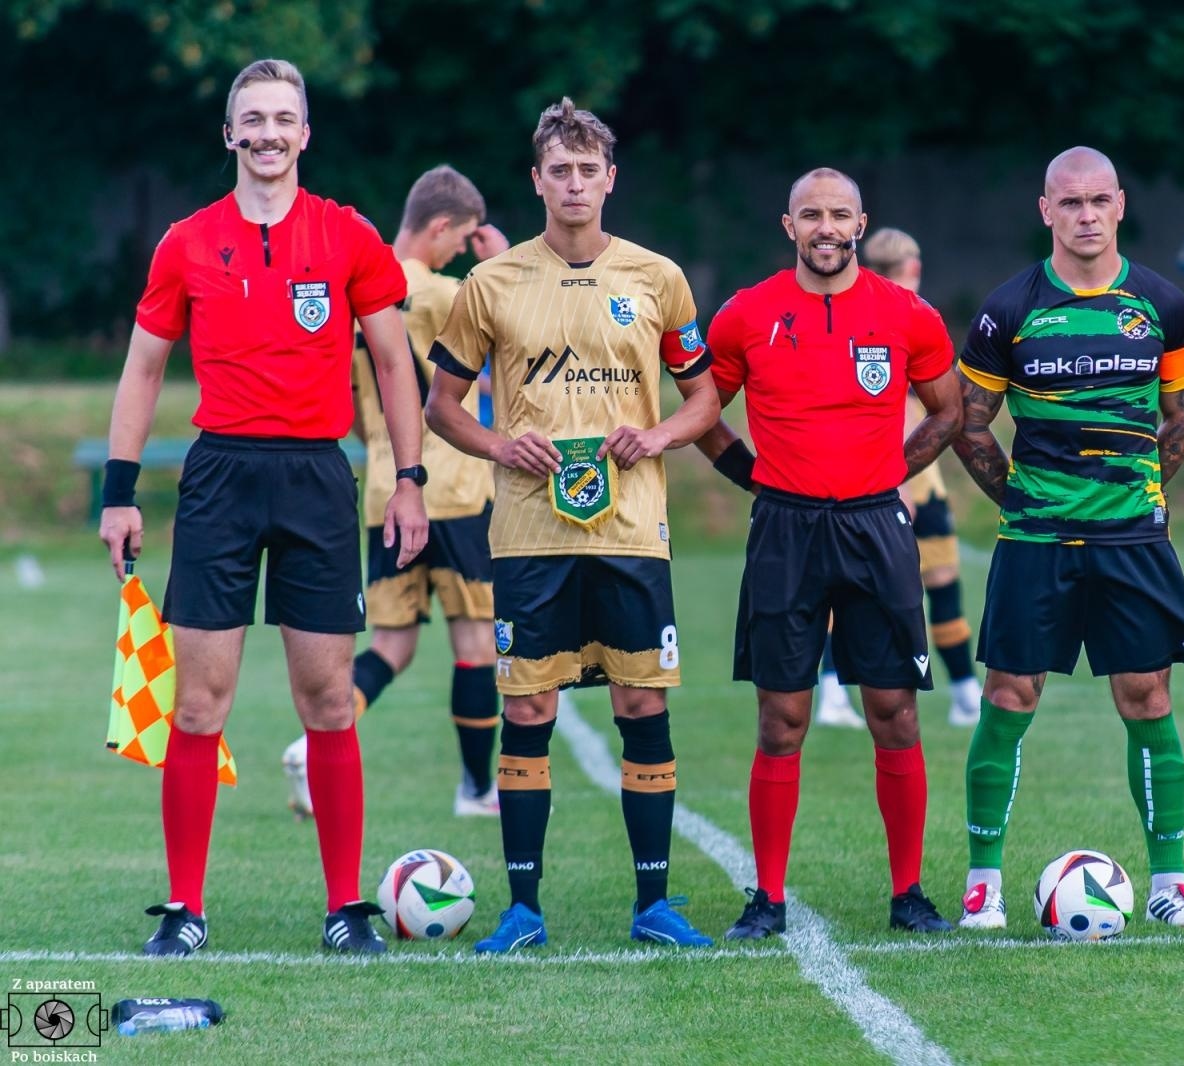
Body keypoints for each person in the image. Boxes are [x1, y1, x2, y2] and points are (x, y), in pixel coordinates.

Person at [98, 58, 429, 956]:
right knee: (199, 704)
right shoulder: (187, 242)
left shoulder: (349, 236)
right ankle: (184, 909)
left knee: (329, 699)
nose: (270, 133)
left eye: (285, 118)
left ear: (306, 133)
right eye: (254, 119)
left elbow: (395, 366)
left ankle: (345, 908)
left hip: (319, 479)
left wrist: (410, 478)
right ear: (231, 135)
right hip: (219, 480)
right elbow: (143, 367)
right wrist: (119, 493)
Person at [425, 98, 721, 951]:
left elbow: (702, 395)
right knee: (528, 710)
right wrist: (500, 445)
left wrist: (659, 434)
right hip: (529, 534)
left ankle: (654, 905)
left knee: (641, 700)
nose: (576, 183)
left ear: (611, 180)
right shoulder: (491, 283)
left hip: (631, 530)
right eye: (561, 170)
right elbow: (444, 407)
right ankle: (523, 910)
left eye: (590, 170)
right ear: (538, 181)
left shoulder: (656, 278)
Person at [950, 147, 1184, 932]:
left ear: (1121, 205)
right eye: (1070, 203)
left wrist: (1140, 496)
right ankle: (982, 882)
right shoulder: (1009, 308)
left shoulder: (1162, 304)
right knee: (1008, 695)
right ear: (1046, 212)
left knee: (1148, 696)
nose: (1086, 215)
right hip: (1036, 541)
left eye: (1099, 200)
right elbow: (970, 425)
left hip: (1131, 543)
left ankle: (1170, 881)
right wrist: (1027, 500)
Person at [697, 168, 963, 940]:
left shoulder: (906, 314)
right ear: (789, 226)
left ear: (859, 224)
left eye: (838, 215)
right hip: (784, 529)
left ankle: (908, 892)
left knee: (895, 713)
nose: (824, 227)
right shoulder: (747, 314)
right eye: (810, 214)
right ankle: (767, 898)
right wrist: (751, 475)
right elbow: (703, 411)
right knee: (782, 718)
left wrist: (892, 473)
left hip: (877, 527)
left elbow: (950, 410)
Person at [282, 166, 511, 821]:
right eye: (460, 239)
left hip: (387, 487)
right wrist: (497, 269)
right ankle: (475, 791)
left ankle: (309, 742)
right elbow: (494, 371)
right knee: (474, 645)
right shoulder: (447, 292)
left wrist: (382, 443)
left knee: (391, 645)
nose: (458, 251)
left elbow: (356, 400)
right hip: (458, 488)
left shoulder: (354, 284)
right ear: (442, 228)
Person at [813, 227, 983, 730]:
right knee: (935, 585)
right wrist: (902, 479)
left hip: (867, 476)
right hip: (902, 478)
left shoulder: (852, 312)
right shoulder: (906, 319)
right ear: (912, 268)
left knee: (847, 590)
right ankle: (962, 693)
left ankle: (837, 695)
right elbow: (907, 410)